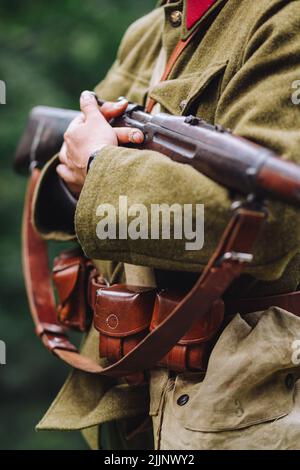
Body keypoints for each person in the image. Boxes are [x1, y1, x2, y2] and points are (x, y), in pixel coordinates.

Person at [32, 0, 300, 450]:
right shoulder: (149, 32)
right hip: (130, 391)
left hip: (242, 409)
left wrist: (101, 169)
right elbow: (81, 149)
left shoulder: (284, 20)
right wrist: (84, 170)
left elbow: (272, 224)